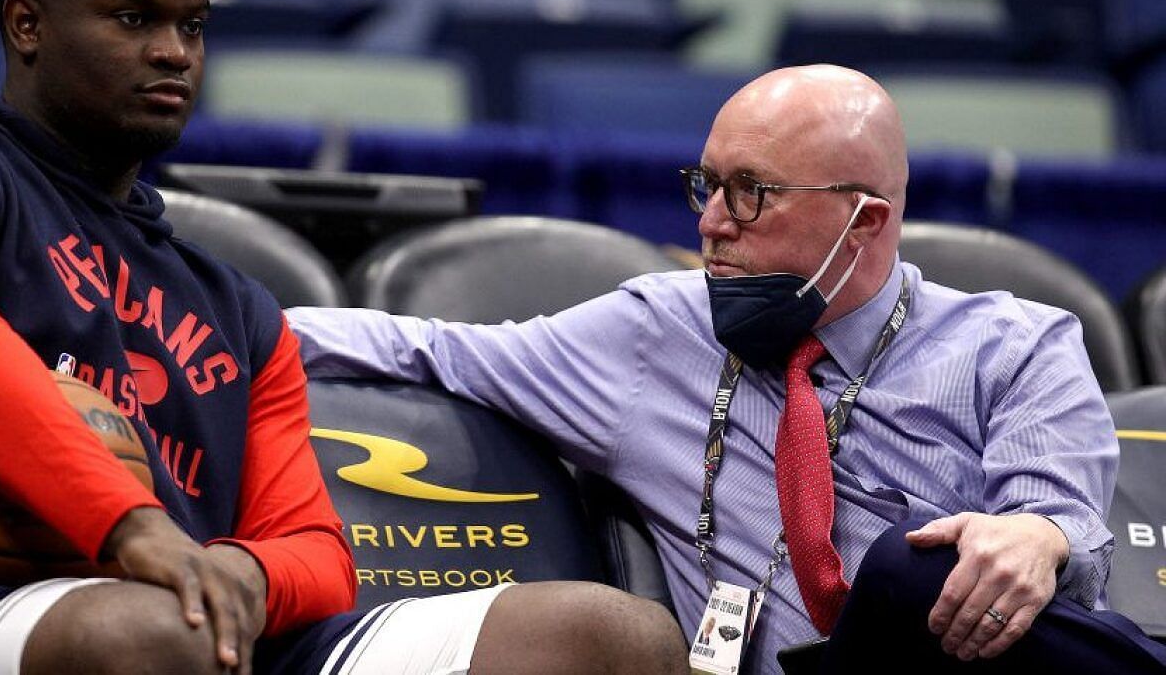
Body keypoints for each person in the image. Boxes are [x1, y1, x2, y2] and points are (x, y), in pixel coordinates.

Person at [0, 0, 688, 675]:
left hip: (196, 622)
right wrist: (136, 531)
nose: (174, 52)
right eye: (132, 18)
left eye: (192, 26)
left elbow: (315, 551)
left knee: (610, 635)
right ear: (26, 26)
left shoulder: (236, 305)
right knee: (156, 633)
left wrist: (246, 576)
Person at [288, 65, 1166, 673]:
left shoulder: (1017, 344)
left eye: (751, 190)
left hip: (969, 660)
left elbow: (1060, 529)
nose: (712, 221)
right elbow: (430, 348)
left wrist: (1037, 538)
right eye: (705, 184)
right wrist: (217, 323)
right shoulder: (652, 333)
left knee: (918, 571)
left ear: (863, 220)